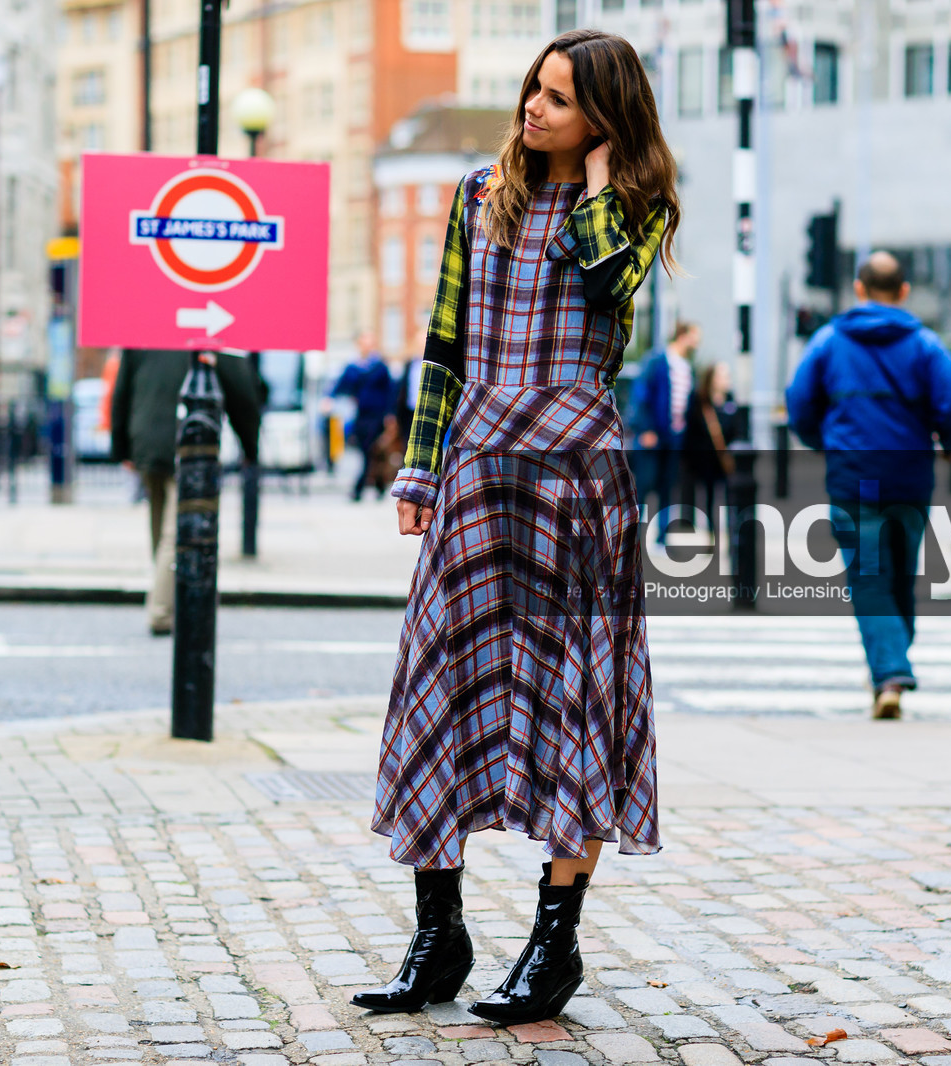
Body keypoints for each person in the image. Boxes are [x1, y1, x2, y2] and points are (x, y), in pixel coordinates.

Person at [357, 29, 678, 1026]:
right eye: (533, 90)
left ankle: (554, 941)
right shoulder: (472, 198)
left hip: (575, 478)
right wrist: (420, 462)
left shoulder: (630, 208)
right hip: (477, 467)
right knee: (441, 686)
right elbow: (444, 343)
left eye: (561, 100)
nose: (534, 109)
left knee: (571, 696)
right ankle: (436, 933)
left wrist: (591, 181)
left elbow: (601, 287)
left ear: (603, 122)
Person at [784, 252, 951, 721]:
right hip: (910, 475)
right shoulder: (925, 345)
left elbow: (799, 402)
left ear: (859, 289)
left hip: (854, 476)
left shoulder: (828, 342)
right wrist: (950, 443)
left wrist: (823, 441)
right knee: (901, 576)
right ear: (904, 291)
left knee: (870, 578)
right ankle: (891, 670)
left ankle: (889, 671)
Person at [110, 350, 263, 635]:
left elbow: (121, 390)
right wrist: (250, 446)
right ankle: (162, 611)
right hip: (189, 440)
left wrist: (121, 445)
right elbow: (243, 395)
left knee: (159, 526)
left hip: (144, 437)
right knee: (173, 533)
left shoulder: (146, 328)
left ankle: (166, 592)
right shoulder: (210, 331)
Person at [629, 321, 700, 542]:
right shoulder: (657, 361)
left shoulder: (687, 367)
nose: (698, 342)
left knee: (667, 487)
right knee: (643, 486)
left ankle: (661, 537)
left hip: (674, 437)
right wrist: (645, 428)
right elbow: (641, 394)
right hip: (653, 436)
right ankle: (633, 538)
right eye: (695, 336)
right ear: (683, 335)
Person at [329, 334, 395, 501]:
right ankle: (379, 484)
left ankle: (358, 489)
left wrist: (389, 415)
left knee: (369, 450)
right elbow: (341, 386)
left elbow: (389, 393)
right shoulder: (353, 367)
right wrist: (330, 399)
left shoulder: (380, 366)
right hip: (360, 416)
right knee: (367, 451)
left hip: (376, 416)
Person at [680, 361, 739, 536]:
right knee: (708, 497)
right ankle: (711, 533)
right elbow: (691, 431)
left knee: (731, 497)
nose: (727, 380)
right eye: (723, 376)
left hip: (725, 459)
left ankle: (732, 534)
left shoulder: (730, 400)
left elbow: (737, 430)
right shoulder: (699, 400)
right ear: (712, 378)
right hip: (705, 460)